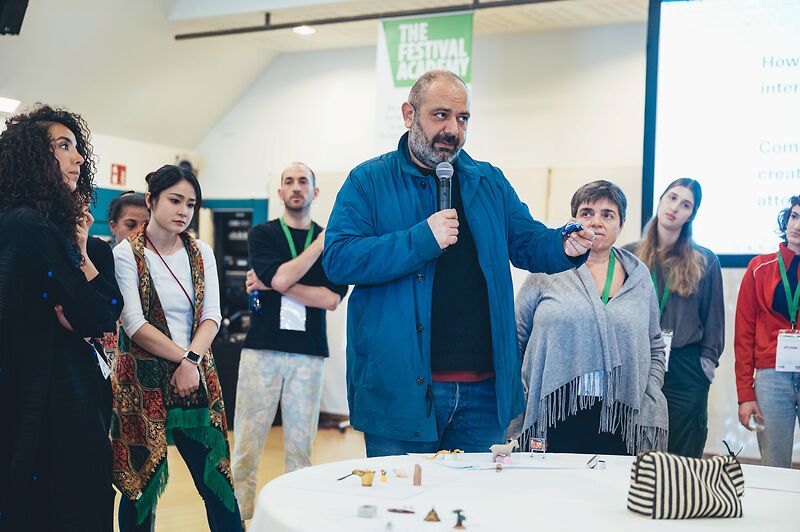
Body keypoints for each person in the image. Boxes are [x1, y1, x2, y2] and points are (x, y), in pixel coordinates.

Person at [322, 70, 594, 457]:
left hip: (483, 394)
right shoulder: (369, 181)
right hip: (400, 391)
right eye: (441, 115)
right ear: (409, 114)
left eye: (462, 118)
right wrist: (421, 240)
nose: (453, 129)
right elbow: (338, 259)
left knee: (473, 498)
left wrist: (562, 244)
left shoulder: (488, 181)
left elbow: (527, 241)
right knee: (403, 496)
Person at [0, 104, 122, 531]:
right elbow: (99, 314)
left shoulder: (27, 223)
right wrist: (82, 304)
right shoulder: (33, 226)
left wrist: (82, 252)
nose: (79, 158)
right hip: (51, 399)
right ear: (35, 156)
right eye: (64, 146)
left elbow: (94, 311)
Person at [112, 165, 241, 531]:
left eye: (191, 204)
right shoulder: (126, 253)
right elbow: (134, 323)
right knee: (140, 486)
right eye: (175, 200)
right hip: (143, 382)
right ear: (151, 200)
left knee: (217, 484)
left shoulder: (201, 252)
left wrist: (192, 362)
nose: (184, 211)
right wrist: (185, 359)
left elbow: (212, 316)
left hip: (197, 377)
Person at [231, 162, 348, 521]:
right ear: (280, 192)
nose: (296, 187)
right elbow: (283, 280)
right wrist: (315, 250)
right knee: (246, 446)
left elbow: (330, 299)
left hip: (307, 355)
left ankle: (294, 521)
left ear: (315, 192)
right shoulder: (263, 234)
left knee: (301, 450)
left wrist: (277, 282)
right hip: (262, 351)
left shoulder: (333, 239)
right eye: (289, 181)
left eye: (303, 181)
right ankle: (237, 520)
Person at [515, 181, 668, 455]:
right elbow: (515, 337)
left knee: (613, 482)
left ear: (621, 224)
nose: (596, 222)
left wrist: (649, 389)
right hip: (555, 409)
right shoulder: (546, 268)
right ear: (573, 220)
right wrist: (519, 393)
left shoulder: (639, 275)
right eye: (587, 213)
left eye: (607, 215)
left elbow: (655, 344)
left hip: (621, 414)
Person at [623, 178, 724, 458]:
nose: (676, 207)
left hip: (685, 369)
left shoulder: (705, 260)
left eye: (686, 204)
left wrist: (704, 370)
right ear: (660, 200)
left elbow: (714, 324)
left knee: (683, 454)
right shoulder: (628, 256)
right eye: (672, 197)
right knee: (634, 447)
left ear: (691, 215)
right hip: (639, 361)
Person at [735, 195, 800, 468]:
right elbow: (743, 333)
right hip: (771, 379)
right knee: (775, 465)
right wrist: (745, 394)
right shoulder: (759, 267)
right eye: (795, 216)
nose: (798, 225)